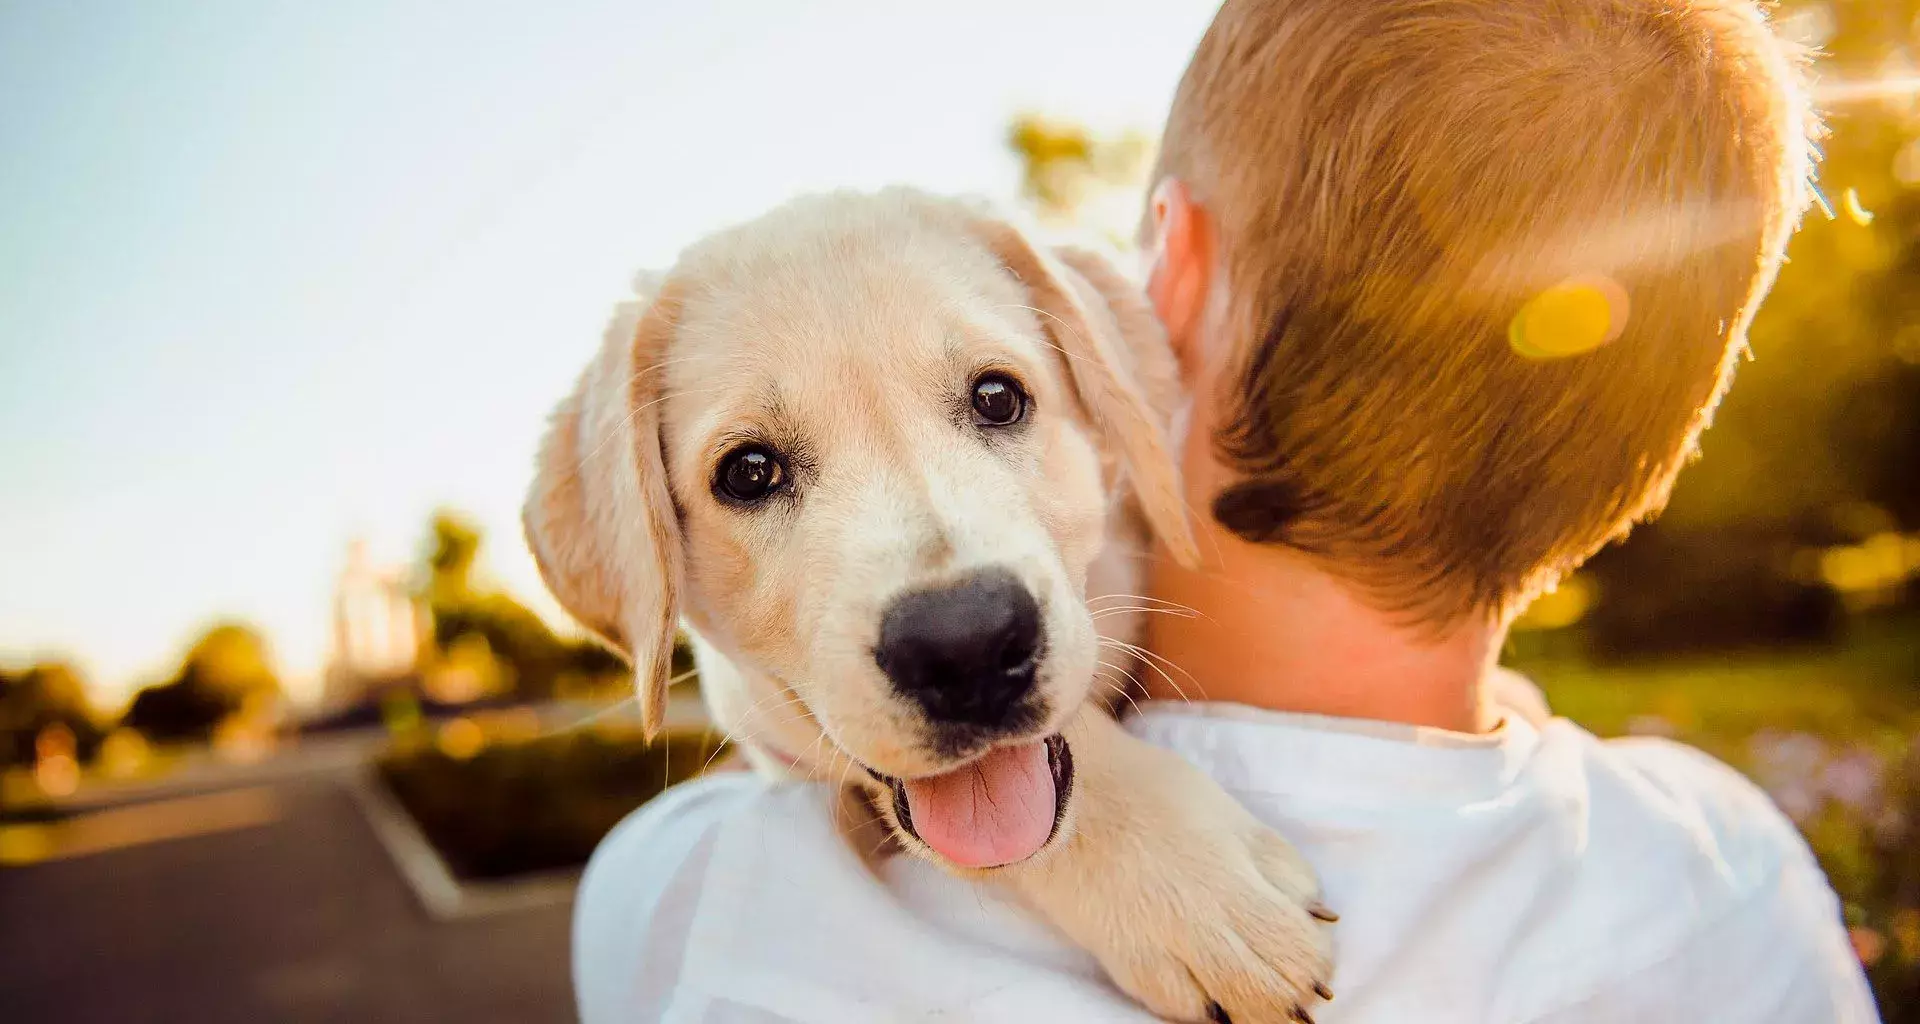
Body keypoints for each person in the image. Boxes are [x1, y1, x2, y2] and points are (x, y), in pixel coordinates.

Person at [571, 0, 1879, 1020]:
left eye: (991, 397)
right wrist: (1089, 820)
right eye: (755, 472)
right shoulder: (1738, 880)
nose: (953, 589)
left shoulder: (695, 911)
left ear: (1163, 285)